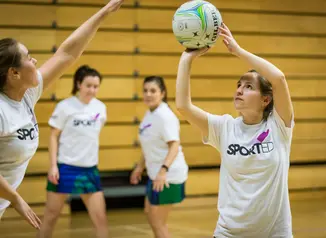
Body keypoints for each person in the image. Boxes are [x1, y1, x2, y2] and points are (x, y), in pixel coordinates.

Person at [0, 0, 124, 229]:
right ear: (14, 73)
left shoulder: (26, 95)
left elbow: (66, 53)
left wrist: (104, 12)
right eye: (28, 57)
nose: (34, 61)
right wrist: (15, 198)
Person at [175, 23, 294, 238]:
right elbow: (183, 106)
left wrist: (237, 51)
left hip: (274, 234)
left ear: (265, 99)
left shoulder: (279, 126)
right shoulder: (224, 127)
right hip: (228, 233)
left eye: (248, 87)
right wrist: (186, 59)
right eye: (239, 85)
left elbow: (279, 78)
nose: (239, 90)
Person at [37, 65, 107, 238]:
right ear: (78, 84)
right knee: (51, 217)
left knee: (100, 219)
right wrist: (53, 166)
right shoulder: (64, 107)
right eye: (88, 85)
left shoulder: (100, 108)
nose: (92, 90)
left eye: (96, 86)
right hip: (65, 168)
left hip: (89, 169)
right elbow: (53, 136)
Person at [130, 76, 188, 238]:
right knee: (149, 213)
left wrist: (163, 171)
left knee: (158, 222)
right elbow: (149, 144)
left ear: (162, 93)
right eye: (145, 90)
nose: (148, 94)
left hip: (167, 176)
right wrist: (140, 166)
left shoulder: (165, 116)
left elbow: (174, 146)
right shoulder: (150, 113)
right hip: (155, 174)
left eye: (153, 91)